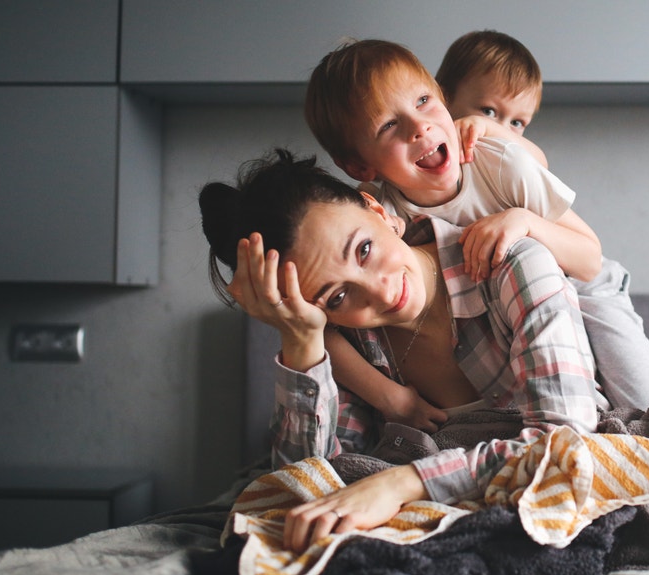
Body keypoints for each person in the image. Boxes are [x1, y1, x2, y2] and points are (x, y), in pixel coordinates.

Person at [199, 149, 606, 553]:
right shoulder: (350, 345)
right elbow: (308, 490)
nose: (381, 291)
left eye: (363, 250)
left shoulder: (511, 266)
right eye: (338, 296)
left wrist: (404, 483)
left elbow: (566, 443)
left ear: (377, 210)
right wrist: (303, 340)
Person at [304, 38, 649, 417]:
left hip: (586, 284)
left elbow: (590, 259)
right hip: (510, 310)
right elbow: (324, 329)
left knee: (648, 407)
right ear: (360, 167)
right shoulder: (381, 215)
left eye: (423, 101)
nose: (419, 127)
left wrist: (525, 222)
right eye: (390, 125)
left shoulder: (500, 165)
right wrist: (390, 398)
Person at [435, 30, 546, 166]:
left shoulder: (503, 165)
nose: (501, 130)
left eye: (516, 123)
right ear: (443, 99)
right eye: (489, 111)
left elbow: (541, 162)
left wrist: (487, 128)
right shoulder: (428, 147)